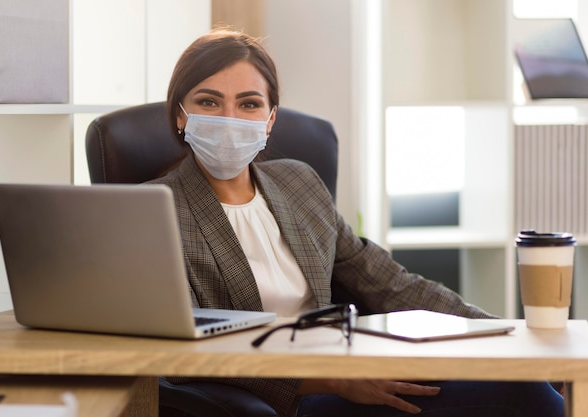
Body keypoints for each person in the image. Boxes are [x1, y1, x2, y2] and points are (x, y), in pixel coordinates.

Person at [149, 29, 564, 417]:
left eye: (249, 103)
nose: (230, 119)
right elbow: (186, 353)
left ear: (271, 118)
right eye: (208, 102)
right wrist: (328, 381)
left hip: (350, 362)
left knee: (526, 380)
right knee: (524, 395)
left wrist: (507, 335)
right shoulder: (157, 209)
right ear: (181, 115)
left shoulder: (298, 182)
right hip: (289, 397)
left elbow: (389, 283)